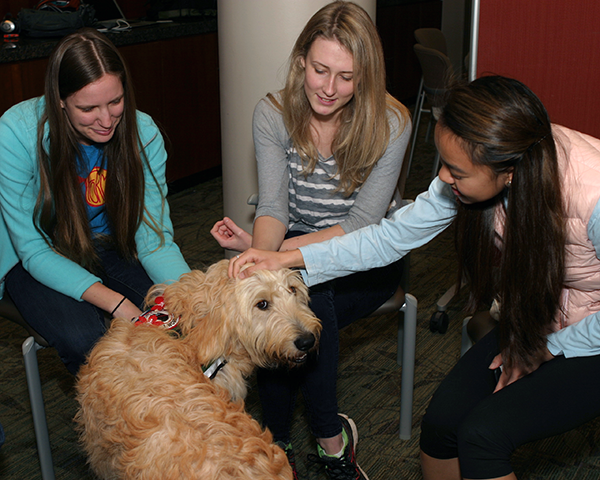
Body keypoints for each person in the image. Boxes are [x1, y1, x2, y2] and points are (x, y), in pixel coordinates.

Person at [229, 75, 600, 480]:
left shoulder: (591, 192)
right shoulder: (488, 170)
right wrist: (286, 258)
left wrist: (548, 349)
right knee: (442, 426)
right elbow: (388, 237)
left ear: (507, 170)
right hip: (539, 316)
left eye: (456, 171)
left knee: (482, 437)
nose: (442, 177)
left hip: (587, 334)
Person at [211, 2, 410, 479]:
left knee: (308, 292)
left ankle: (299, 440)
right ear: (302, 60)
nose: (328, 88)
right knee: (293, 303)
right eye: (320, 70)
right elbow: (274, 207)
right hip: (293, 242)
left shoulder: (392, 122)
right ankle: (315, 444)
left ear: (365, 77)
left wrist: (279, 260)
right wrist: (265, 262)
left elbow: (363, 224)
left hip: (371, 257)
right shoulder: (273, 113)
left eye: (345, 76)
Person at [0, 28, 190, 376]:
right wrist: (118, 305)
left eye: (115, 102)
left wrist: (195, 298)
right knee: (89, 341)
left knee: (181, 323)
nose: (106, 121)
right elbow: (33, 251)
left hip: (105, 245)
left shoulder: (142, 132)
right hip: (35, 255)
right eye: (88, 108)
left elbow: (154, 239)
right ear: (59, 99)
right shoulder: (15, 133)